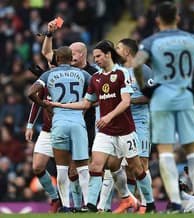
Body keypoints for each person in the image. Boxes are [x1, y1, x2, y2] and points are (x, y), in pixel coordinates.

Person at [46, 40, 155, 213]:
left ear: (107, 54)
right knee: (96, 166)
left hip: (127, 129)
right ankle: (92, 206)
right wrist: (61, 105)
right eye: (94, 56)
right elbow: (86, 103)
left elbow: (126, 101)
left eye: (98, 56)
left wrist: (110, 114)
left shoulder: (123, 73)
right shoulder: (96, 78)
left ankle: (148, 204)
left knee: (137, 168)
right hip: (105, 130)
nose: (95, 60)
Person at [132, 1, 194, 213]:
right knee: (192, 150)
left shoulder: (151, 41)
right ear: (178, 18)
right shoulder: (191, 39)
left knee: (165, 152)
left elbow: (136, 64)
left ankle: (176, 203)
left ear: (157, 20)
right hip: (184, 96)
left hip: (161, 98)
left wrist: (145, 89)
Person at [41, 19, 98, 211]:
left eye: (72, 53)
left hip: (87, 123)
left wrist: (85, 106)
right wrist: (49, 34)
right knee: (72, 169)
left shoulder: (91, 72)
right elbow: (47, 53)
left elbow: (100, 96)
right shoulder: (69, 71)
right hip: (72, 122)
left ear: (81, 55)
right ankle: (76, 205)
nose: (67, 56)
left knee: (77, 167)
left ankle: (86, 204)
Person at [27, 46, 91, 212]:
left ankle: (71, 206)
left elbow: (31, 93)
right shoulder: (80, 75)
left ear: (57, 60)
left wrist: (47, 107)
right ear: (70, 59)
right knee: (79, 167)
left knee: (67, 169)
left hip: (59, 125)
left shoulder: (48, 77)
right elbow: (98, 89)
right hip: (69, 125)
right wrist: (86, 104)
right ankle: (83, 205)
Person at [97, 38, 156, 213]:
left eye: (119, 48)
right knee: (119, 165)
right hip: (123, 122)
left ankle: (146, 204)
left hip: (140, 121)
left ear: (128, 52)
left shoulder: (143, 70)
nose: (116, 51)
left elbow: (151, 96)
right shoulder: (118, 71)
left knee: (142, 163)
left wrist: (129, 102)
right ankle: (128, 202)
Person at [25, 65, 60, 213]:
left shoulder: (71, 80)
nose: (50, 67)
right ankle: (55, 198)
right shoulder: (46, 80)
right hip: (47, 131)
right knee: (37, 167)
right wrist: (30, 125)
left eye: (53, 63)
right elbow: (36, 102)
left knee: (68, 171)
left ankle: (76, 204)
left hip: (64, 130)